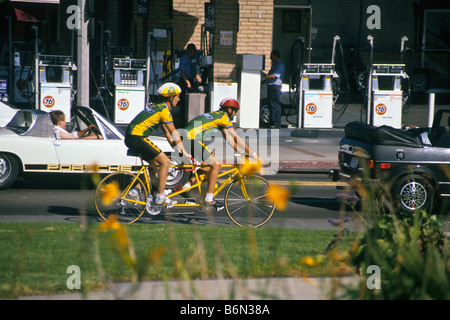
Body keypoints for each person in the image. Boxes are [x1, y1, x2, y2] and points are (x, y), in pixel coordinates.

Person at [183, 98, 259, 206]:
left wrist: (241, 153)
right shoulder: (223, 117)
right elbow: (236, 138)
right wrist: (253, 154)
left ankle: (186, 185)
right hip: (191, 139)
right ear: (229, 109)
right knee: (216, 165)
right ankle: (209, 198)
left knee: (208, 167)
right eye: (235, 110)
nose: (235, 114)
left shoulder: (217, 115)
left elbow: (228, 138)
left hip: (187, 138)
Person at [125, 82, 190, 206]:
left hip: (132, 137)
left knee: (155, 164)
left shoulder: (158, 107)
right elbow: (174, 133)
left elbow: (168, 134)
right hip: (137, 137)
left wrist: (177, 150)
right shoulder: (164, 111)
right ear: (170, 98)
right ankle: (160, 196)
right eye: (177, 96)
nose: (179, 99)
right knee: (165, 162)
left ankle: (136, 188)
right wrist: (185, 152)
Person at [178, 43, 202, 125]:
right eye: (190, 52)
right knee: (183, 99)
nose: (192, 54)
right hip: (184, 79)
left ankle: (192, 116)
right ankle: (182, 119)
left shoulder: (195, 57)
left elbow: (197, 67)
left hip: (192, 79)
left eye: (193, 52)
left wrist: (198, 75)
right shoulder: (184, 59)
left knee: (193, 96)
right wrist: (187, 82)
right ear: (187, 51)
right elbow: (182, 72)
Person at [262, 49, 285, 128]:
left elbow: (273, 76)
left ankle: (276, 123)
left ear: (275, 56)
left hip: (275, 87)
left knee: (275, 105)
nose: (270, 58)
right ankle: (272, 122)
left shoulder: (279, 65)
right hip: (271, 86)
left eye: (271, 56)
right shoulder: (275, 64)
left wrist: (262, 76)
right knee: (271, 104)